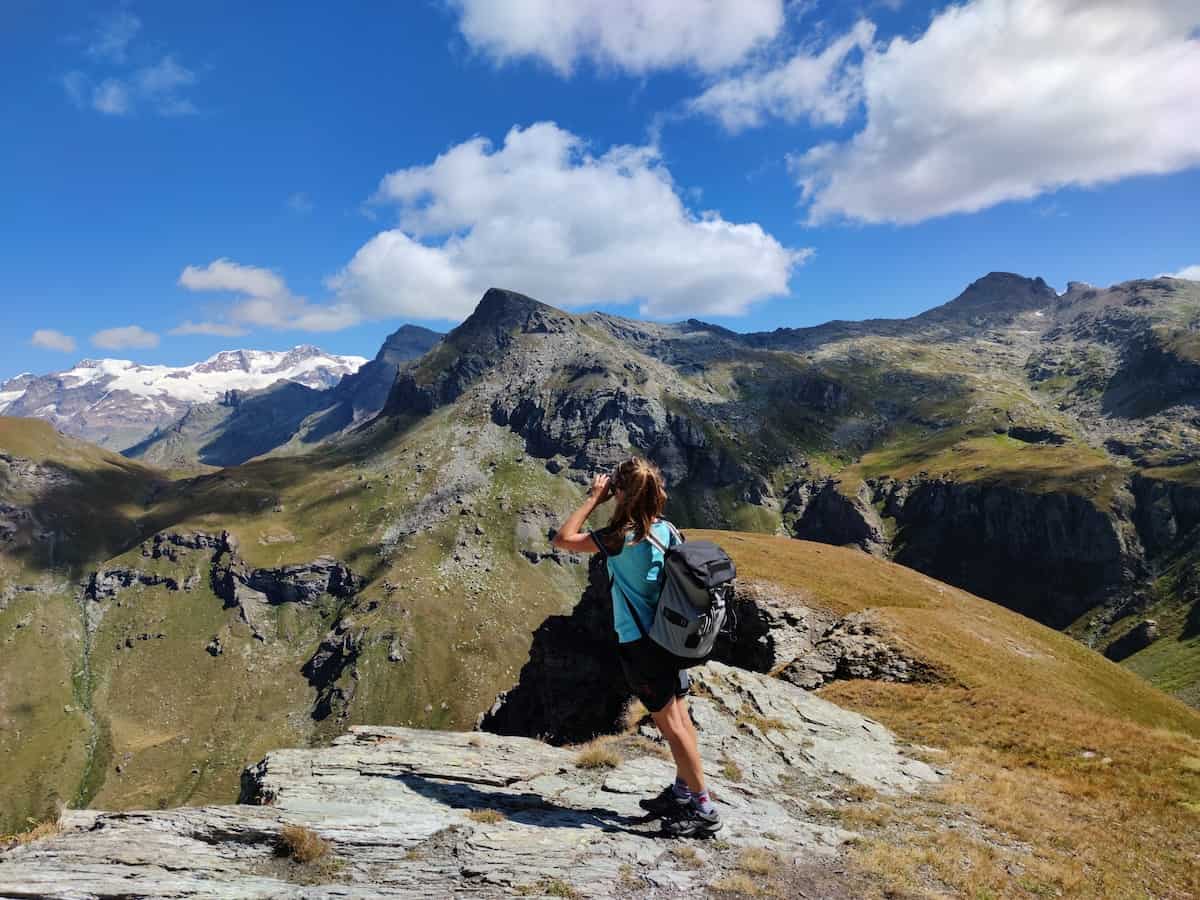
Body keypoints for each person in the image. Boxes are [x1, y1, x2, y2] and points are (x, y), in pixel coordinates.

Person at [551, 456, 721, 837]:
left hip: (643, 647)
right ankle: (681, 792)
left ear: (622, 494)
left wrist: (594, 498)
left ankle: (703, 806)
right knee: (681, 718)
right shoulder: (667, 530)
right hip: (670, 639)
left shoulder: (620, 538)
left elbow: (563, 538)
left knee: (672, 727)